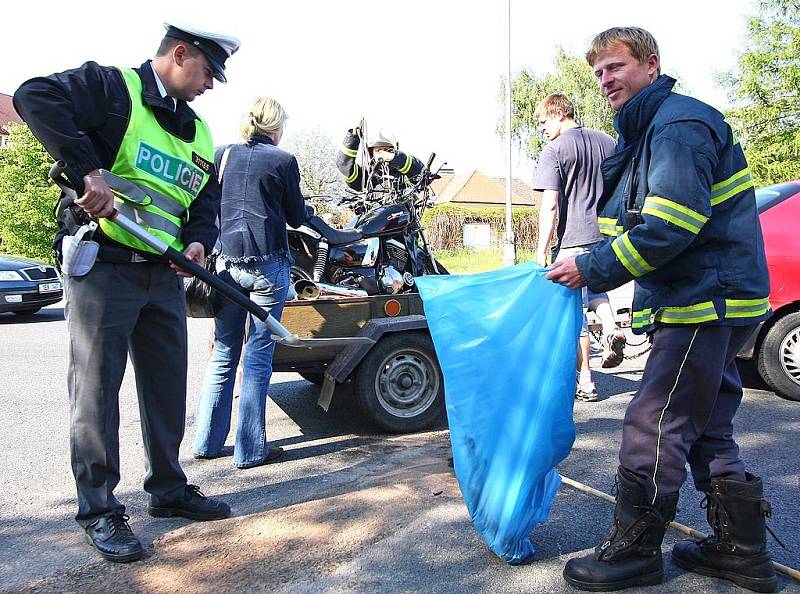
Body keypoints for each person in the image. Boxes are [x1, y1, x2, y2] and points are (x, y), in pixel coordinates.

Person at [547, 27, 776, 592]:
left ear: (651, 65)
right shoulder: (655, 127)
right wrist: (596, 258)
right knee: (705, 424)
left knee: (655, 419)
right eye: (598, 72)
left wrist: (593, 269)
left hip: (702, 297)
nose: (605, 81)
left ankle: (635, 553)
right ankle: (741, 551)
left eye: (616, 67)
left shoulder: (675, 126)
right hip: (716, 296)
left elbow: (671, 223)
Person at [13, 22, 240, 564]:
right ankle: (99, 509)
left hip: (162, 276)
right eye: (208, 71)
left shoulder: (201, 133)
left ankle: (168, 489)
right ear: (180, 54)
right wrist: (85, 168)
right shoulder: (114, 90)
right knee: (95, 394)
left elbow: (206, 196)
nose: (210, 84)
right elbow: (32, 96)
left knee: (166, 386)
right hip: (105, 267)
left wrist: (198, 243)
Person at [193, 97, 306, 469]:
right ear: (276, 127)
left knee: (224, 354)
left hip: (225, 265)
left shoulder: (221, 154)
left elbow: (206, 203)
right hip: (267, 266)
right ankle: (251, 450)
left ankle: (207, 443)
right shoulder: (282, 160)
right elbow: (296, 214)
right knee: (257, 357)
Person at [532, 93, 626, 403]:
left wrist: (542, 249)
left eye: (543, 122)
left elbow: (550, 205)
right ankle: (612, 328)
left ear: (559, 115)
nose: (542, 129)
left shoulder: (555, 150)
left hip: (573, 240)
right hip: (607, 237)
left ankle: (585, 380)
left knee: (574, 312)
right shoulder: (606, 141)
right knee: (595, 291)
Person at [336, 123, 424, 194]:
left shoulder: (404, 170)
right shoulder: (366, 175)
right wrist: (352, 138)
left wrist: (395, 159)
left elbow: (421, 175)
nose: (383, 153)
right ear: (371, 154)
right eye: (378, 150)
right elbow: (344, 166)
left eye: (386, 150)